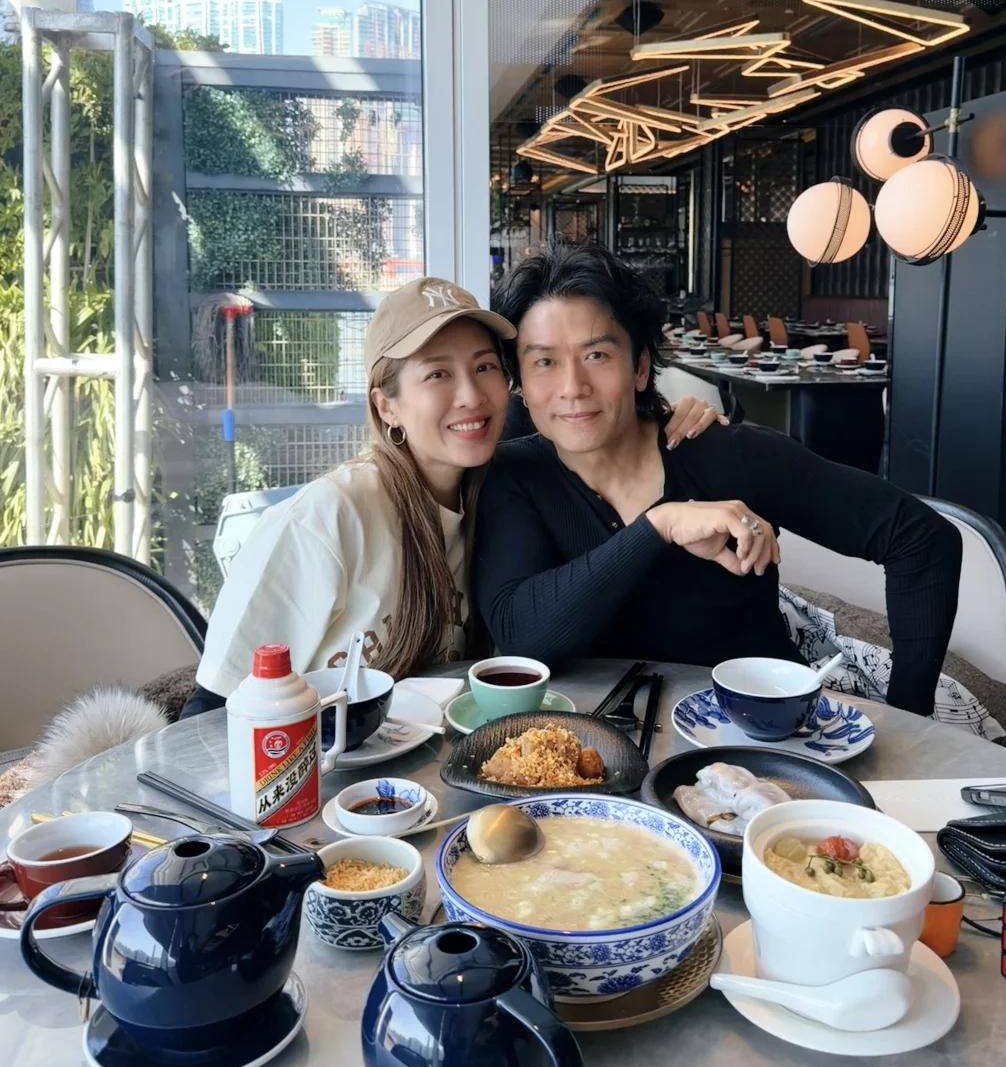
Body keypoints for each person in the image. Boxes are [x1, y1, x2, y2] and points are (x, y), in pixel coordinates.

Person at [182, 275, 721, 716]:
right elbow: (210, 711)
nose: (470, 396)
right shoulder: (329, 518)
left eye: (484, 367)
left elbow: (580, 417)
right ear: (386, 406)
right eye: (437, 374)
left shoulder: (498, 493)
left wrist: (668, 421)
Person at [473, 242, 962, 716]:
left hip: (760, 739)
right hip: (595, 751)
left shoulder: (726, 454)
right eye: (544, 362)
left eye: (597, 355)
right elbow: (522, 638)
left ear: (640, 367)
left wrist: (910, 716)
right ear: (520, 383)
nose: (572, 387)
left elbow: (921, 539)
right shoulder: (515, 476)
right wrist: (659, 526)